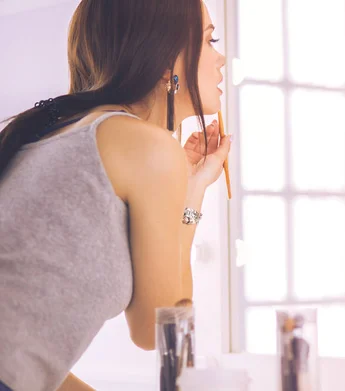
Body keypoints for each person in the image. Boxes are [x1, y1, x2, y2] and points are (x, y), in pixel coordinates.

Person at [0, 1, 230, 390]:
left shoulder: (56, 132)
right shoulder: (147, 146)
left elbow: (27, 359)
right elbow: (158, 328)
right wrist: (191, 199)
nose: (221, 59)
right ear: (164, 60)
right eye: (210, 41)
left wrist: (190, 189)